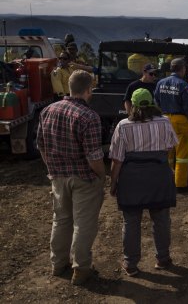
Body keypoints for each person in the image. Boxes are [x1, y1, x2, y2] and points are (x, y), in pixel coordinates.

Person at [37, 70, 106, 285]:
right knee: (84, 224)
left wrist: (51, 167)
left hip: (58, 175)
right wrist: (102, 176)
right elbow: (94, 156)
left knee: (61, 220)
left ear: (69, 87)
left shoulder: (47, 110)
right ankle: (81, 269)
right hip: (84, 178)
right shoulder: (89, 116)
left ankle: (58, 265)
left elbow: (41, 145)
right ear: (88, 90)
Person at [109, 88, 179, 277]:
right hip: (159, 177)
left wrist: (113, 183)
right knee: (161, 220)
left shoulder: (123, 125)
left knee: (131, 222)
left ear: (131, 105)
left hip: (132, 180)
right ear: (152, 103)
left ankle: (131, 263)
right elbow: (171, 146)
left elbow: (117, 159)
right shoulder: (164, 121)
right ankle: (163, 259)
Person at [154, 58, 188, 191]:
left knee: (167, 152)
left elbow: (157, 101)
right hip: (181, 120)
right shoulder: (184, 85)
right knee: (182, 155)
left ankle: (166, 180)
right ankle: (180, 184)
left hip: (165, 119)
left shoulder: (161, 83)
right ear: (182, 69)